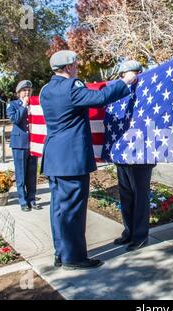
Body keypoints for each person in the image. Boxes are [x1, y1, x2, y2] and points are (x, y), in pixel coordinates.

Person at [40, 50, 136, 270]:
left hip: (54, 158)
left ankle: (61, 253)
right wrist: (125, 81)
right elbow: (100, 99)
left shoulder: (46, 90)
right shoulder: (72, 88)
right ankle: (74, 258)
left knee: (58, 209)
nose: (77, 67)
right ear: (68, 68)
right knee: (73, 210)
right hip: (71, 160)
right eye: (75, 64)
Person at [111, 60, 154, 252]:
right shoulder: (118, 92)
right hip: (122, 151)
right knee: (126, 196)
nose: (132, 78)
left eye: (136, 74)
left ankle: (140, 235)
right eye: (128, 75)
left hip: (141, 152)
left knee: (140, 196)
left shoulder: (149, 91)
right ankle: (128, 231)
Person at [7, 80, 41, 212]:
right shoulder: (13, 105)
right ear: (18, 92)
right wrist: (24, 105)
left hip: (33, 143)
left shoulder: (35, 105)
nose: (27, 92)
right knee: (20, 174)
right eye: (24, 90)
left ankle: (31, 199)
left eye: (29, 90)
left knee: (32, 175)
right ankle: (22, 201)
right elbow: (15, 120)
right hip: (19, 144)